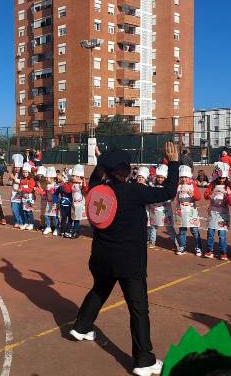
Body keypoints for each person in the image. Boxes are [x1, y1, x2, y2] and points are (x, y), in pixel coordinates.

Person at [70, 141, 180, 376]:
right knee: (138, 309)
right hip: (129, 262)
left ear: (106, 171)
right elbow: (168, 192)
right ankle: (143, 360)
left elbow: (96, 177)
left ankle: (81, 327)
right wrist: (174, 163)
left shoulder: (97, 189)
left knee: (99, 290)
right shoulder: (134, 191)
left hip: (101, 258)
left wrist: (102, 161)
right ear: (126, 171)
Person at [204, 162, 231, 260]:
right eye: (220, 178)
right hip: (213, 212)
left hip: (223, 214)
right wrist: (209, 195)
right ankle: (210, 250)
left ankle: (223, 252)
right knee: (210, 233)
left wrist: (230, 195)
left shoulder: (229, 186)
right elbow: (206, 194)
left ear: (226, 178)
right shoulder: (212, 185)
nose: (221, 180)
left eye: (223, 178)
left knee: (222, 235)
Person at [146, 165, 178, 249]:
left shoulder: (167, 188)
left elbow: (170, 198)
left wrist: (163, 199)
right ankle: (152, 242)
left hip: (165, 211)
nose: (160, 179)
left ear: (165, 178)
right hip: (154, 210)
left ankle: (176, 243)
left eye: (162, 178)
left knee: (169, 228)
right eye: (158, 177)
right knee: (153, 227)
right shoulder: (153, 186)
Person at [174, 165, 202, 256]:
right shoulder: (178, 186)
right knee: (182, 230)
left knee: (194, 230)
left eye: (186, 177)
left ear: (189, 177)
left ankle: (198, 247)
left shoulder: (192, 185)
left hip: (191, 211)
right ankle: (182, 246)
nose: (184, 179)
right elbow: (176, 198)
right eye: (182, 177)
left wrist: (193, 194)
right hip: (181, 210)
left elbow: (198, 197)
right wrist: (176, 208)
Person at [69, 165, 89, 239]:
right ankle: (73, 230)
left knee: (77, 219)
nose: (72, 177)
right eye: (72, 176)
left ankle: (76, 232)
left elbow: (86, 190)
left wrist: (84, 183)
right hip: (74, 203)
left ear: (78, 177)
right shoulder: (72, 184)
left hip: (80, 204)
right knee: (74, 217)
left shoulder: (81, 184)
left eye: (74, 176)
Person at [41, 167, 60, 235]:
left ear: (52, 178)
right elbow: (45, 193)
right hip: (48, 202)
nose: (46, 179)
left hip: (54, 203)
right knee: (46, 215)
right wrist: (41, 192)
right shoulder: (47, 185)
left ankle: (56, 228)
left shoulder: (56, 185)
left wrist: (53, 192)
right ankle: (48, 227)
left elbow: (57, 194)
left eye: (47, 178)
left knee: (55, 216)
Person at [19, 162, 37, 230]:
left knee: (29, 211)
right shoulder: (22, 180)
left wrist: (22, 189)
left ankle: (31, 223)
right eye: (23, 172)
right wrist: (20, 190)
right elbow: (21, 187)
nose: (25, 173)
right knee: (25, 211)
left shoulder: (31, 180)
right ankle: (26, 223)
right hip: (24, 198)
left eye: (26, 172)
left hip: (30, 198)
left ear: (29, 172)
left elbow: (30, 189)